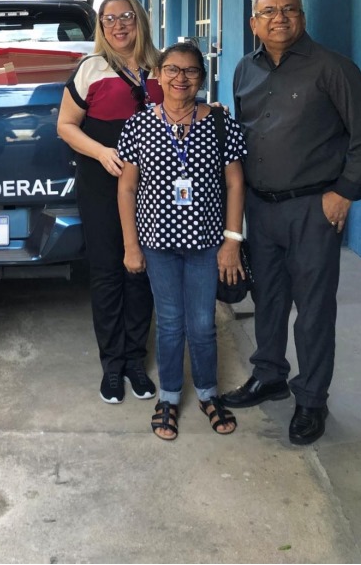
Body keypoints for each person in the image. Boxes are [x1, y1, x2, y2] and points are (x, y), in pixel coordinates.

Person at [221, 0, 361, 445]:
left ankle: (312, 399)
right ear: (253, 23)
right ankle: (269, 375)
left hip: (314, 208)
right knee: (269, 299)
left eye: (289, 10)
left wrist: (344, 193)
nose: (279, 18)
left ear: (302, 17)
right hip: (261, 206)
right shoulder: (243, 71)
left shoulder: (332, 68)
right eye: (269, 11)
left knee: (314, 309)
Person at [117, 42, 247, 440]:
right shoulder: (139, 125)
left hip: (208, 243)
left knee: (203, 325)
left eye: (191, 71)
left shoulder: (220, 123)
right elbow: (126, 189)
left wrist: (232, 241)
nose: (181, 78)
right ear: (157, 75)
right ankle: (169, 397)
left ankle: (208, 393)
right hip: (157, 244)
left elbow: (235, 181)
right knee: (171, 324)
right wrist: (131, 245)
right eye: (172, 69)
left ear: (201, 79)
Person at [57, 0, 163, 403]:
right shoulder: (90, 69)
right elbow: (65, 125)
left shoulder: (161, 67)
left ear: (140, 21)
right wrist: (101, 152)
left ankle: (137, 360)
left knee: (142, 271)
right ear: (100, 27)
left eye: (126, 17)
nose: (118, 25)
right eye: (108, 19)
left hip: (153, 188)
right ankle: (112, 365)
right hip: (102, 183)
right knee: (107, 272)